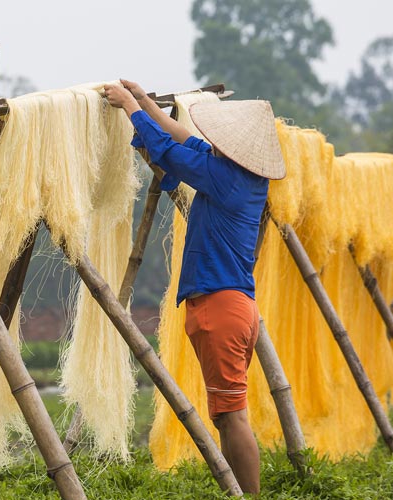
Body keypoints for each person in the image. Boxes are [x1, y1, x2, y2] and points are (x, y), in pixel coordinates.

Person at [102, 79, 286, 495]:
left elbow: (169, 154)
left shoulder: (226, 178)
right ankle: (239, 492)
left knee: (231, 415)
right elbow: (184, 140)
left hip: (222, 310)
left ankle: (248, 496)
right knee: (226, 413)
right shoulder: (242, 175)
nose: (213, 140)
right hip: (230, 307)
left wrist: (130, 106)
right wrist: (148, 103)